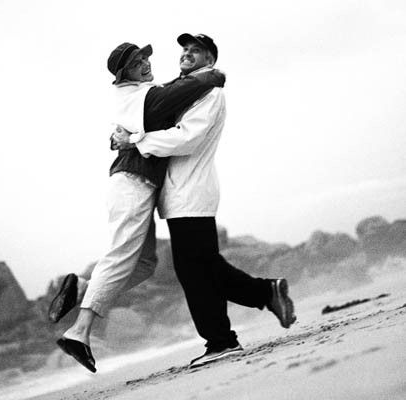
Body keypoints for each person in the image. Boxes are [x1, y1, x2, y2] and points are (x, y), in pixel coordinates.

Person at [112, 33, 297, 368]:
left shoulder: (210, 92)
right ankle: (266, 293)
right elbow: (151, 110)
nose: (187, 53)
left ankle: (222, 340)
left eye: (195, 50)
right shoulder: (186, 90)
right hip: (181, 193)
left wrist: (135, 141)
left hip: (192, 192)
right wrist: (123, 135)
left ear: (210, 60)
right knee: (204, 266)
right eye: (184, 49)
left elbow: (189, 138)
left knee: (196, 271)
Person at [51, 42, 226, 373]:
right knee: (120, 256)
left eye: (145, 57)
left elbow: (170, 98)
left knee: (145, 264)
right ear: (123, 75)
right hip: (132, 184)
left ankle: (84, 288)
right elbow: (178, 94)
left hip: (140, 187)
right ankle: (79, 333)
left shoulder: (143, 91)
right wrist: (212, 76)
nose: (145, 63)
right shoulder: (138, 96)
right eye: (136, 63)